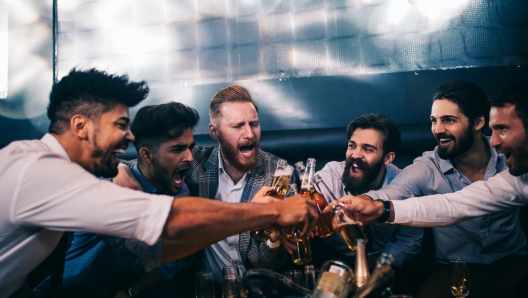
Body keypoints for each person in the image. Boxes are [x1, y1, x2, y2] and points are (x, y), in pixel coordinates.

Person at [0, 69, 319, 298]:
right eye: (121, 125)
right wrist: (273, 212)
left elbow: (149, 255)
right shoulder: (44, 173)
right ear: (81, 126)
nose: (128, 136)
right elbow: (174, 220)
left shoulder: (47, 169)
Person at [333, 80, 528, 298]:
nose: (437, 129)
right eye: (434, 121)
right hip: (453, 267)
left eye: (449, 120)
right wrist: (368, 201)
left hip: (514, 263)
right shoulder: (426, 167)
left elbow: (458, 204)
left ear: (478, 122)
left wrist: (380, 208)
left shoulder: (513, 161)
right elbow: (399, 191)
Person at [114, 86, 292, 285]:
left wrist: (274, 235)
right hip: (207, 289)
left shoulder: (278, 174)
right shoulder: (194, 163)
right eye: (238, 126)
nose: (249, 134)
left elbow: (271, 264)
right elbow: (149, 164)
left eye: (254, 124)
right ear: (214, 132)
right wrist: (119, 170)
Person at [33, 102, 200, 297]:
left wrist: (129, 291)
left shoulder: (180, 193)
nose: (190, 157)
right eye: (178, 149)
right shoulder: (106, 187)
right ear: (146, 155)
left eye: (190, 147)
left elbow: (167, 264)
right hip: (72, 290)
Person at [315, 114, 422, 268]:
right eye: (352, 146)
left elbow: (410, 240)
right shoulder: (327, 179)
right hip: (334, 260)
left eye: (368, 149)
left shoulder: (404, 185)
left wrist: (381, 263)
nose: (355, 155)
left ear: (387, 158)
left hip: (385, 262)